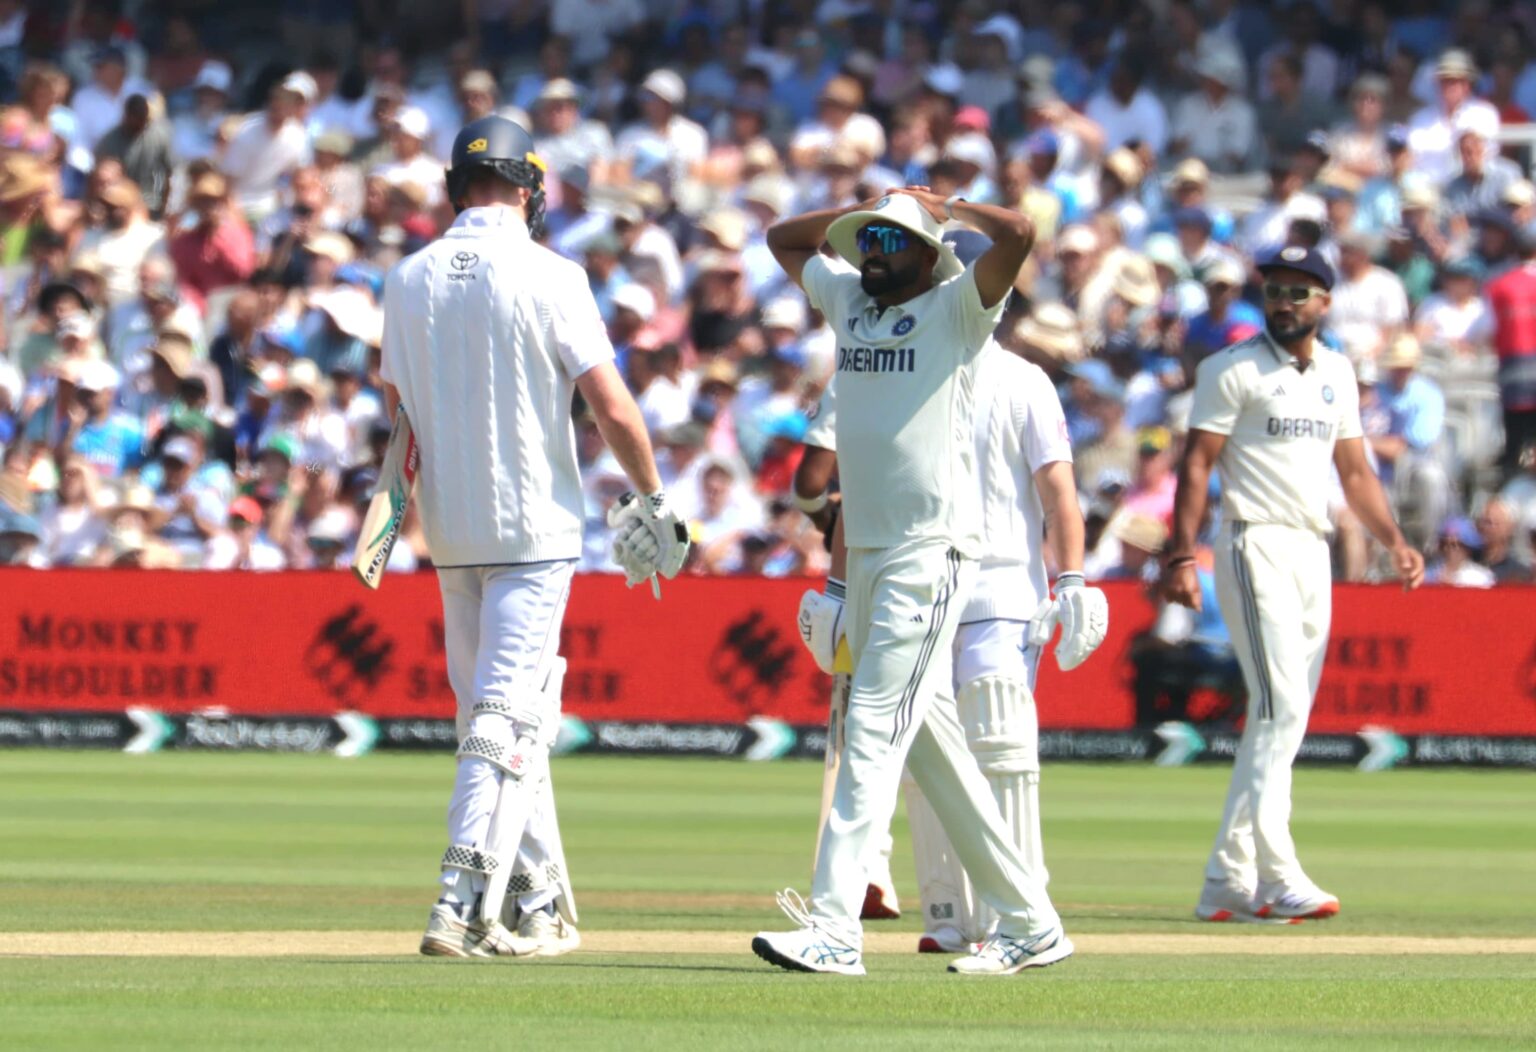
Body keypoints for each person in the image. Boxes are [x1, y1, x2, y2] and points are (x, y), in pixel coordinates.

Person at [384, 116, 687, 961]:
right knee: (503, 717)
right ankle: (457, 902)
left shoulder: (404, 278)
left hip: (452, 529)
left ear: (457, 187)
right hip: (534, 529)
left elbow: (396, 413)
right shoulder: (553, 273)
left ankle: (541, 899)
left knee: (500, 716)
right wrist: (654, 497)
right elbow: (611, 403)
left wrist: (399, 510)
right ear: (527, 189)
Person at [754, 187, 1075, 977]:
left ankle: (834, 928)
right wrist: (865, 208)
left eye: (891, 242)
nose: (873, 252)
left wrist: (951, 207)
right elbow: (782, 240)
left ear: (930, 256)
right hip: (868, 552)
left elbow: (1019, 234)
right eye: (867, 241)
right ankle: (1031, 922)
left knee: (870, 730)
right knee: (933, 748)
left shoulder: (956, 312)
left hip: (929, 553)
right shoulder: (851, 306)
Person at [1161, 245, 1425, 925]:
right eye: (1275, 290)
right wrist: (1182, 556)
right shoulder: (1230, 368)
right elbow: (1197, 467)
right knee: (1278, 709)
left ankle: (1226, 879)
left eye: (1298, 292)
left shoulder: (1336, 370)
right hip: (1253, 540)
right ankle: (1278, 876)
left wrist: (1394, 540)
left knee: (1284, 717)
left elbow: (1356, 472)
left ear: (1325, 303)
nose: (1283, 302)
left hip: (1313, 546)